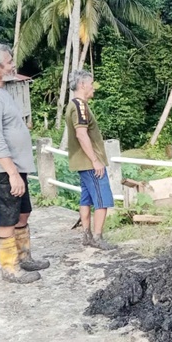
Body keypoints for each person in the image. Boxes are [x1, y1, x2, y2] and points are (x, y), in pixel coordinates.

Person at [0, 42, 49, 283]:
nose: (13, 65)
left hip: (15, 167)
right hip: (0, 170)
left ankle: (24, 257)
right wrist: (12, 173)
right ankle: (10, 267)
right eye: (9, 62)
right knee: (6, 220)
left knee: (22, 213)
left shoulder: (0, 91)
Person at [65, 70, 115, 250]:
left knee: (86, 198)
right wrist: (95, 160)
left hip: (82, 162)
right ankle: (97, 237)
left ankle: (86, 234)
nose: (93, 87)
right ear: (82, 85)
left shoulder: (72, 105)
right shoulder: (80, 106)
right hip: (89, 162)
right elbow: (81, 134)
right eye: (91, 84)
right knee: (102, 199)